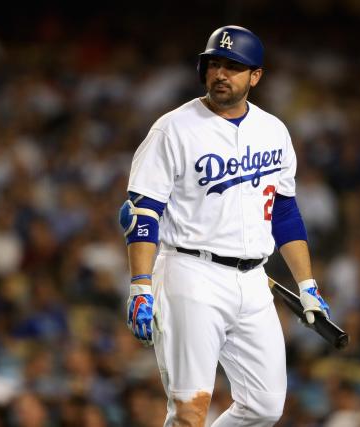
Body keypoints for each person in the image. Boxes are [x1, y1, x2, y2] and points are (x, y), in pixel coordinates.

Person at [119, 25, 331, 426]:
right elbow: (143, 212)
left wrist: (307, 285)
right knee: (189, 410)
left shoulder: (274, 131)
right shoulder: (173, 128)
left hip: (254, 280)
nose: (220, 73)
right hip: (190, 273)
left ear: (256, 76)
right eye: (214, 63)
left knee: (265, 406)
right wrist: (140, 286)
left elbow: (284, 213)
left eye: (233, 67)